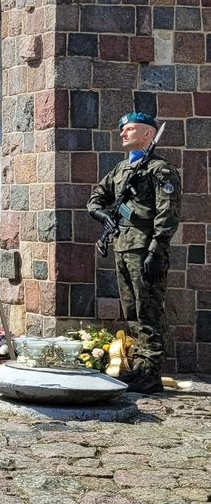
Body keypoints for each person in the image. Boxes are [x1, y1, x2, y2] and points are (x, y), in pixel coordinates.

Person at [87, 112, 181, 394]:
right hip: (122, 245)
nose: (122, 134)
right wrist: (105, 217)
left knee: (148, 309)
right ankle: (140, 366)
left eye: (129, 129)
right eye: (122, 130)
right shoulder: (120, 170)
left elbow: (168, 213)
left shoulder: (160, 170)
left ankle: (151, 371)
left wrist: (157, 248)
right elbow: (95, 199)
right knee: (131, 311)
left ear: (148, 134)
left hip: (145, 248)